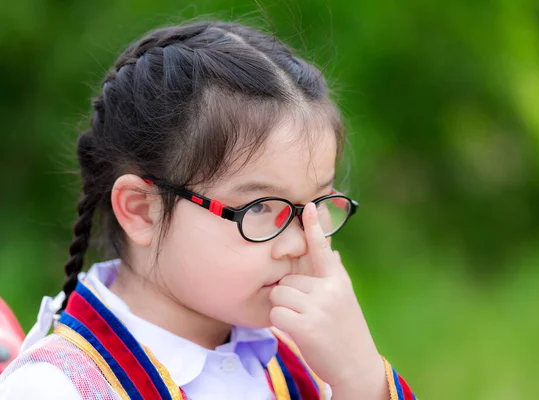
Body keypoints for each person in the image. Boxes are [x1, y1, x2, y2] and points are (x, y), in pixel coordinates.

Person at [0, 20, 416, 400]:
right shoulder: (58, 386)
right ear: (142, 210)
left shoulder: (306, 354)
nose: (299, 243)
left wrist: (362, 380)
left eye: (318, 204)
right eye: (260, 207)